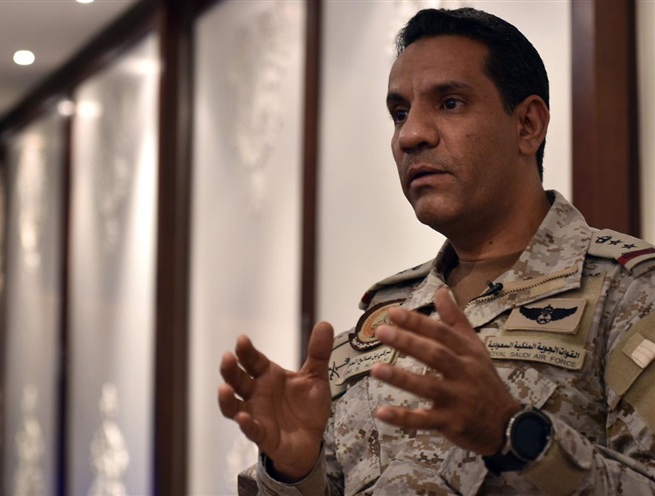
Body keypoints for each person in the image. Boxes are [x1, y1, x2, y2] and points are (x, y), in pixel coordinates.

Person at [218, 7, 655, 495]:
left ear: (527, 125)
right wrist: (295, 473)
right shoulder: (387, 316)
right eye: (399, 113)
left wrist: (516, 437)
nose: (411, 135)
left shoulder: (628, 292)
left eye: (449, 103)